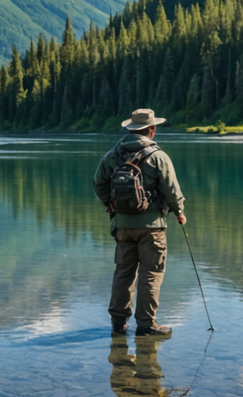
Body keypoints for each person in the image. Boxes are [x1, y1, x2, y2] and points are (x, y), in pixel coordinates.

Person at [93, 108, 186, 337]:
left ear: (131, 129)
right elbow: (172, 191)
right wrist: (179, 212)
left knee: (124, 271)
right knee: (151, 273)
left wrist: (111, 205)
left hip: (122, 225)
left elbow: (98, 183)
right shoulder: (158, 156)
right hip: (152, 226)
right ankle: (146, 325)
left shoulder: (112, 154)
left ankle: (118, 323)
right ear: (151, 130)